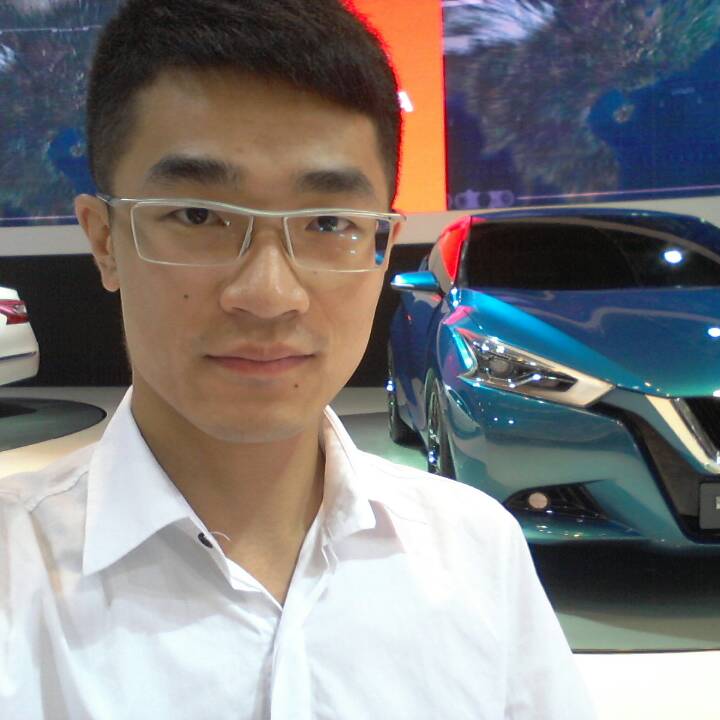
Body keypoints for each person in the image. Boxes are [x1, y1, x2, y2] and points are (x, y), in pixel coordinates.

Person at [0, 1, 595, 717]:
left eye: (328, 223)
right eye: (198, 216)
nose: (269, 295)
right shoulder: (16, 576)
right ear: (104, 240)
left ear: (382, 247)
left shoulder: (474, 550)